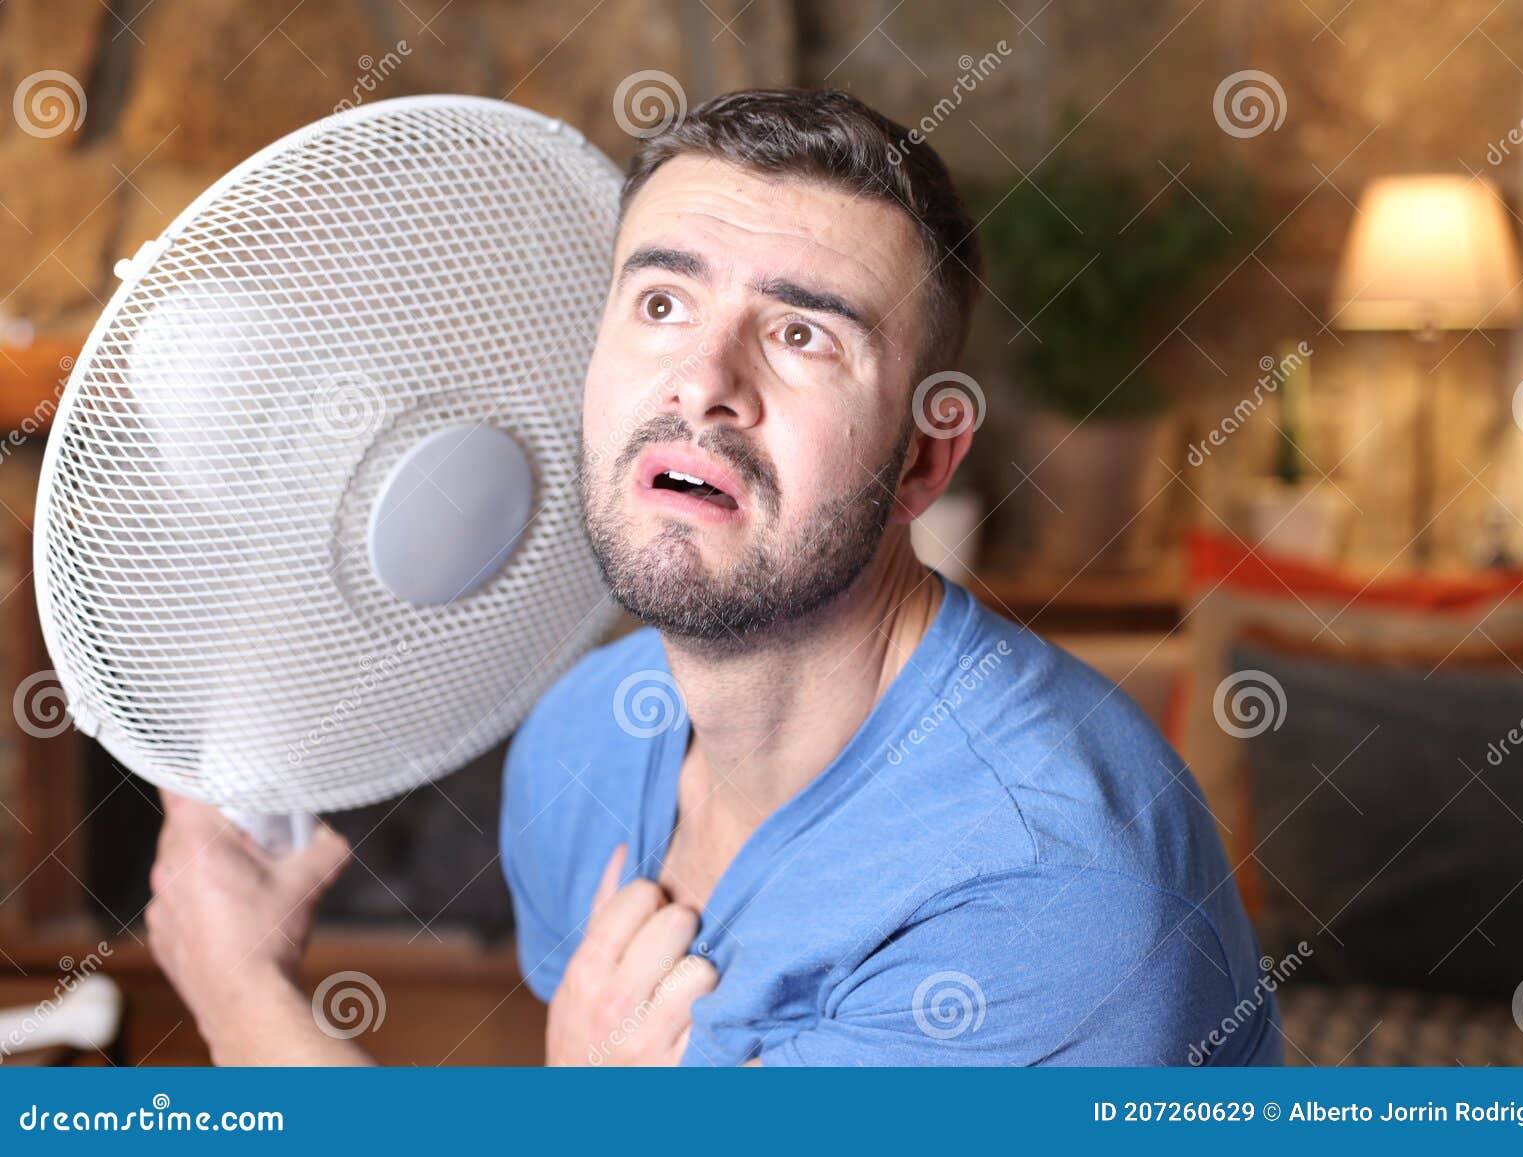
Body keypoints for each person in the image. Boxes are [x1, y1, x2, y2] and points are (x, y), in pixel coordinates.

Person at [149, 88, 1280, 1068]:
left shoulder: (1046, 886)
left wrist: (236, 989)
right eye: (659, 303)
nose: (701, 381)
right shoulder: (581, 742)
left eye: (802, 335)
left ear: (923, 459)